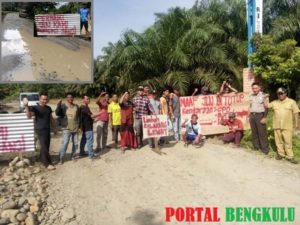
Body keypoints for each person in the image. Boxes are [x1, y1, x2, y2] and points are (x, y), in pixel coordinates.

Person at [266, 88, 299, 164]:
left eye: (281, 93)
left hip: (287, 126)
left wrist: (296, 124)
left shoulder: (291, 102)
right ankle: (281, 154)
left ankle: (290, 156)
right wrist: (265, 97)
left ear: (285, 93)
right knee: (279, 141)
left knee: (288, 141)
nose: (280, 95)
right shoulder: (275, 102)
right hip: (277, 125)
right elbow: (267, 106)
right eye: (278, 94)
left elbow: (296, 112)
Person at [24, 93, 56, 170]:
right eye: (43, 99)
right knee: (44, 146)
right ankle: (47, 164)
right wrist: (26, 106)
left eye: (46, 99)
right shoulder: (36, 108)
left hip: (47, 129)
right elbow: (29, 116)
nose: (44, 101)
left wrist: (55, 129)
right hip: (40, 129)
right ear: (40, 99)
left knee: (46, 146)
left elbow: (51, 119)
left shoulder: (48, 108)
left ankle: (43, 159)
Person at [55, 93, 80, 164]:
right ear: (66, 98)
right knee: (65, 143)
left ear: (73, 98)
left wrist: (79, 126)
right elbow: (57, 113)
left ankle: (73, 156)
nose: (70, 99)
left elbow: (79, 117)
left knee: (75, 144)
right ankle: (61, 158)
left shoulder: (76, 106)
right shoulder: (63, 106)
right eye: (68, 97)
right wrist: (58, 105)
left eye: (71, 97)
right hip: (66, 128)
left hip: (75, 128)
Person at [249, 82, 269, 154]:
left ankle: (265, 149)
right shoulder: (251, 96)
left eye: (256, 88)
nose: (254, 90)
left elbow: (266, 107)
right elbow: (250, 106)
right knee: (254, 132)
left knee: (262, 133)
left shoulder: (264, 95)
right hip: (252, 116)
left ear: (259, 88)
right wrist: (249, 116)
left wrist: (265, 117)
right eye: (253, 88)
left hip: (260, 115)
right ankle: (256, 147)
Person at [79, 95, 97, 159]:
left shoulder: (83, 107)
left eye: (89, 99)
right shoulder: (84, 108)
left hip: (84, 127)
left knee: (83, 140)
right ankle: (91, 155)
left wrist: (94, 119)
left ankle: (81, 152)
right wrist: (101, 113)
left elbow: (88, 116)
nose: (88, 100)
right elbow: (91, 115)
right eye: (87, 99)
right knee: (90, 141)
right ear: (83, 100)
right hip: (88, 127)